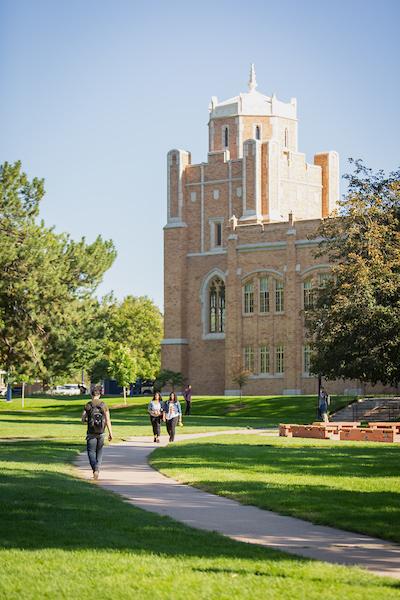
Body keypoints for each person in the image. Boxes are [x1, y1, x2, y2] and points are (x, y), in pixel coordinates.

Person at [81, 386, 113, 480]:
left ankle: (94, 469)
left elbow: (82, 419)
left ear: (91, 394)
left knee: (91, 451)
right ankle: (97, 469)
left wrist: (88, 420)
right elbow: (108, 420)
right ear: (99, 394)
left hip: (91, 433)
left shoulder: (88, 405)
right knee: (99, 451)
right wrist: (111, 433)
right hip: (101, 432)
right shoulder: (104, 405)